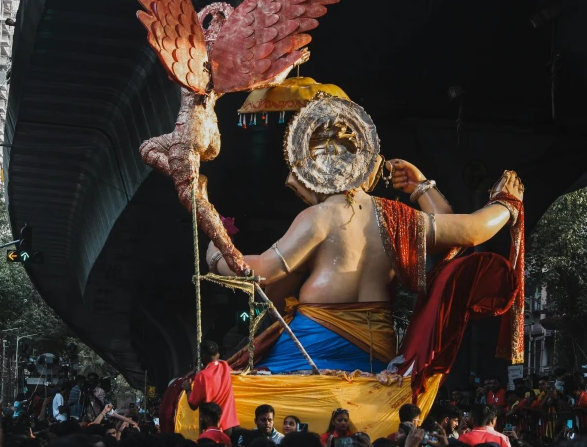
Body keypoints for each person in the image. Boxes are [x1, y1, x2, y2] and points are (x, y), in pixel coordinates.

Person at [213, 95, 525, 377]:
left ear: (314, 170)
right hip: (377, 350)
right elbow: (465, 229)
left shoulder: (320, 216)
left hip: (313, 344)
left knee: (232, 388)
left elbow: (262, 271)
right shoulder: (394, 216)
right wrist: (504, 204)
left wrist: (215, 254)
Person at [183, 340, 239, 431]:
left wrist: (188, 389)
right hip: (230, 424)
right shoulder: (224, 366)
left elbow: (193, 405)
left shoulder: (202, 375)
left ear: (203, 356)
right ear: (218, 355)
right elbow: (234, 371)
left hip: (213, 427)